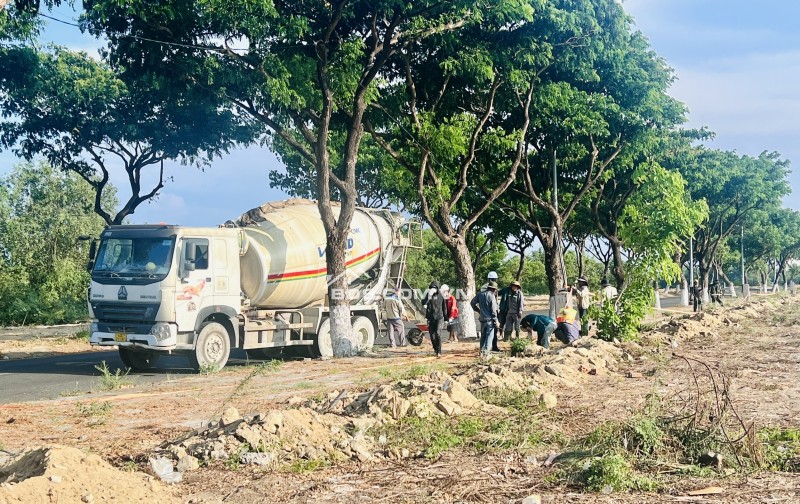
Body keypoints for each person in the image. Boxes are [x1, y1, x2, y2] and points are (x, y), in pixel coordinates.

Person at [470, 280, 499, 358]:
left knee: (483, 336)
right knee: (489, 336)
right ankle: (486, 353)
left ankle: (481, 351)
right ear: (494, 289)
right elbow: (493, 310)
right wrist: (496, 320)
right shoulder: (491, 296)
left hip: (482, 319)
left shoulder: (480, 294)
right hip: (489, 320)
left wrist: (478, 310)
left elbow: (472, 303)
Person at [422, 281, 448, 358]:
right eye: (432, 288)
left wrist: (446, 319)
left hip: (439, 318)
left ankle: (439, 351)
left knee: (438, 333)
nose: (433, 289)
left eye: (435, 288)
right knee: (432, 336)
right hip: (430, 318)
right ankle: (435, 350)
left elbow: (444, 308)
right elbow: (423, 303)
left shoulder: (441, 296)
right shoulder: (428, 295)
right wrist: (428, 297)